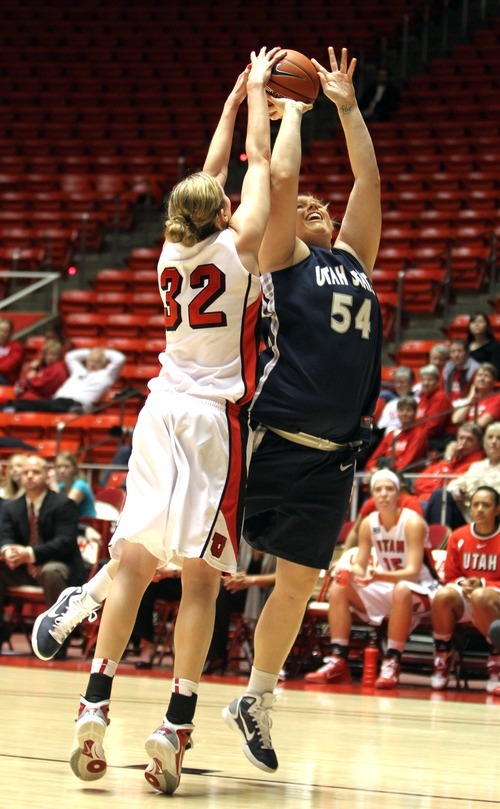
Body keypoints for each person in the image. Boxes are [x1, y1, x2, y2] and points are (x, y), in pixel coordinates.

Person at [33, 45, 382, 778]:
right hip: (228, 419)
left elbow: (224, 165)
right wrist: (274, 103)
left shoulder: (174, 250)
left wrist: (241, 98)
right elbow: (266, 166)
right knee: (197, 575)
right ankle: (177, 719)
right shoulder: (256, 248)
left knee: (138, 559)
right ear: (226, 212)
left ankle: (96, 691)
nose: (313, 205)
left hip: (169, 406)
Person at [222, 45, 382, 772]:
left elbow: (367, 180)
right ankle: (103, 591)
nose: (315, 206)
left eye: (324, 206)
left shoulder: (355, 256)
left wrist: (348, 109)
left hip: (336, 453)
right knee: (201, 558)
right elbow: (282, 178)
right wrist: (290, 109)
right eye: (305, 207)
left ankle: (256, 696)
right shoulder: (282, 257)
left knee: (296, 584)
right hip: (275, 437)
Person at [304, 469, 438, 689]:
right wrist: (350, 570)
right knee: (340, 587)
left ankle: (392, 660)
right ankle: (338, 660)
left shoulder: (412, 522)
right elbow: (361, 564)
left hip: (422, 590)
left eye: (389, 489)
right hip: (390, 588)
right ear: (372, 496)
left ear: (398, 494)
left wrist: (376, 575)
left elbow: (413, 572)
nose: (384, 494)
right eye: (378, 490)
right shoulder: (368, 524)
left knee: (403, 588)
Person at [0, 455, 84, 650]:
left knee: (51, 571)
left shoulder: (63, 504)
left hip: (59, 565)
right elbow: (5, 536)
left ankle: (58, 639)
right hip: (22, 569)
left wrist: (28, 553)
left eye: (36, 472)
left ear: (47, 475)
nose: (30, 476)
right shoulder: (12, 507)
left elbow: (64, 542)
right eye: (26, 472)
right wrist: (8, 551)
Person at [430, 486, 500, 692]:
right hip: (467, 597)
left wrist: (484, 584)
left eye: (486, 505)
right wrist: (464, 584)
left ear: (497, 509)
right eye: (475, 504)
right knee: (442, 595)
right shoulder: (459, 535)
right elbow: (450, 577)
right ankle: (443, 655)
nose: (479, 509)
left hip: (492, 600)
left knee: (480, 595)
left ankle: (496, 659)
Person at [203, 540, 276, 674]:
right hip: (243, 590)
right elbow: (227, 565)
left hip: (269, 590)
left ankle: (268, 662)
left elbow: (284, 578)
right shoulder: (244, 534)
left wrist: (251, 580)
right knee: (219, 590)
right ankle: (216, 657)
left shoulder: (281, 534)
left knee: (277, 595)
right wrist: (231, 577)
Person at [4, 346, 125, 413]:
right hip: (58, 401)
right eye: (91, 360)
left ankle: (12, 408)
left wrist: (103, 352)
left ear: (104, 364)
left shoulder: (106, 375)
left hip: (78, 404)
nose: (93, 363)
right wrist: (91, 352)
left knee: (41, 405)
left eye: (97, 361)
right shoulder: (79, 370)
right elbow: (70, 356)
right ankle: (12, 407)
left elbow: (120, 359)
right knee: (39, 404)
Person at [425, 421, 500, 529]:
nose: (493, 442)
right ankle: (439, 541)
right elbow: (453, 485)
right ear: (484, 442)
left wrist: (471, 494)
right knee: (440, 494)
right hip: (468, 515)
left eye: (498, 438)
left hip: (492, 516)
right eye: (490, 437)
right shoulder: (477, 466)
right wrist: (457, 491)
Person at [413, 422, 484, 507]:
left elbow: (446, 487)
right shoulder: (453, 457)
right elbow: (419, 483)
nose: (464, 443)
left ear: (479, 443)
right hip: (427, 499)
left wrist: (447, 461)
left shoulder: (477, 464)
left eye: (469, 439)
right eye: (461, 438)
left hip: (451, 506)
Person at [364, 396, 428, 474]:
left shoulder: (419, 434)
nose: (404, 414)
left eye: (408, 410)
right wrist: (371, 469)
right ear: (397, 413)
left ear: (415, 413)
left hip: (406, 475)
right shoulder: (392, 434)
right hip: (386, 472)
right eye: (401, 410)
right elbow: (374, 458)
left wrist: (385, 471)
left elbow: (407, 463)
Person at [415, 363, 454, 452]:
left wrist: (415, 437)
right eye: (423, 380)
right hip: (423, 438)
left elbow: (433, 427)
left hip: (439, 440)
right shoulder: (423, 397)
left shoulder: (441, 397)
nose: (426, 383)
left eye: (430, 380)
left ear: (437, 381)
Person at [451, 362, 500, 430]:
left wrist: (464, 425)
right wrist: (470, 398)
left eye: (487, 376)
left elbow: (482, 423)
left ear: (494, 382)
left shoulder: (497, 398)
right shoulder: (472, 399)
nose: (482, 379)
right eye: (479, 375)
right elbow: (456, 419)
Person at [52, 451, 96, 518]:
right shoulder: (61, 487)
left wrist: (54, 487)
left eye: (66, 467)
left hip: (87, 524)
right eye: (58, 467)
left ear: (74, 469)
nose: (62, 470)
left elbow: (65, 510)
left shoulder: (80, 485)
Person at [442, 338, 480, 403]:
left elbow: (475, 393)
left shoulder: (475, 369)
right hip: (449, 404)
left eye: (459, 351)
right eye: (452, 352)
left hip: (466, 403)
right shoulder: (448, 367)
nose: (456, 355)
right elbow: (443, 389)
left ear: (467, 353)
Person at [466, 311, 500, 376]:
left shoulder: (495, 347)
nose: (477, 324)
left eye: (480, 321)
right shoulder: (465, 345)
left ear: (487, 326)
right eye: (473, 322)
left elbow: (496, 370)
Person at [0, 317, 24, 385]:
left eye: (5, 331)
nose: (2, 333)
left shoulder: (16, 347)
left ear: (10, 333)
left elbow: (7, 367)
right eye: (0, 330)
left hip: (7, 380)